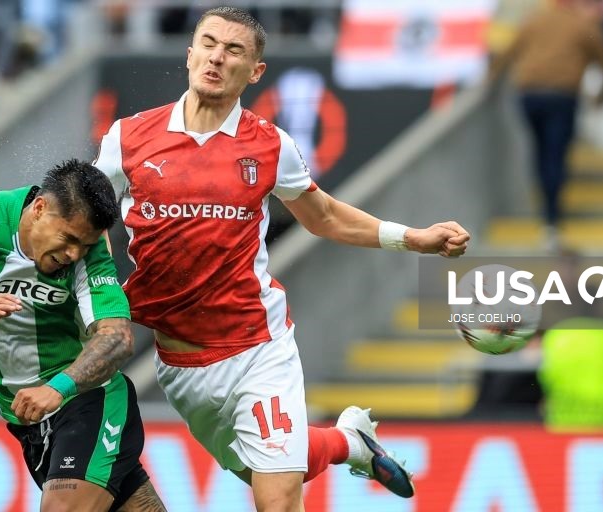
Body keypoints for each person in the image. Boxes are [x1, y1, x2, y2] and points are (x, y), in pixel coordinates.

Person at [94, 6, 470, 510]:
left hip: (257, 350)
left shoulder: (270, 145)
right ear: (189, 53)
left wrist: (413, 238)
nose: (216, 58)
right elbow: (87, 218)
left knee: (278, 496)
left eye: (234, 51)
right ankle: (346, 442)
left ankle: (337, 445)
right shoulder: (128, 137)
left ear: (255, 72)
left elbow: (325, 217)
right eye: (208, 44)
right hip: (179, 362)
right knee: (265, 468)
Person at [0, 159, 166, 512]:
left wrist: (58, 389)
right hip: (27, 422)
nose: (73, 254)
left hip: (87, 403)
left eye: (82, 245)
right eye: (68, 239)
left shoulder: (91, 254)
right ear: (39, 208)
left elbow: (116, 338)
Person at [490, 0, 603, 247]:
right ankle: (552, 218)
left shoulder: (534, 20)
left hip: (530, 94)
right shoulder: (581, 23)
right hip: (561, 95)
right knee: (555, 155)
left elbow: (510, 50)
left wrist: (489, 77)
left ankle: (547, 210)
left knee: (541, 152)